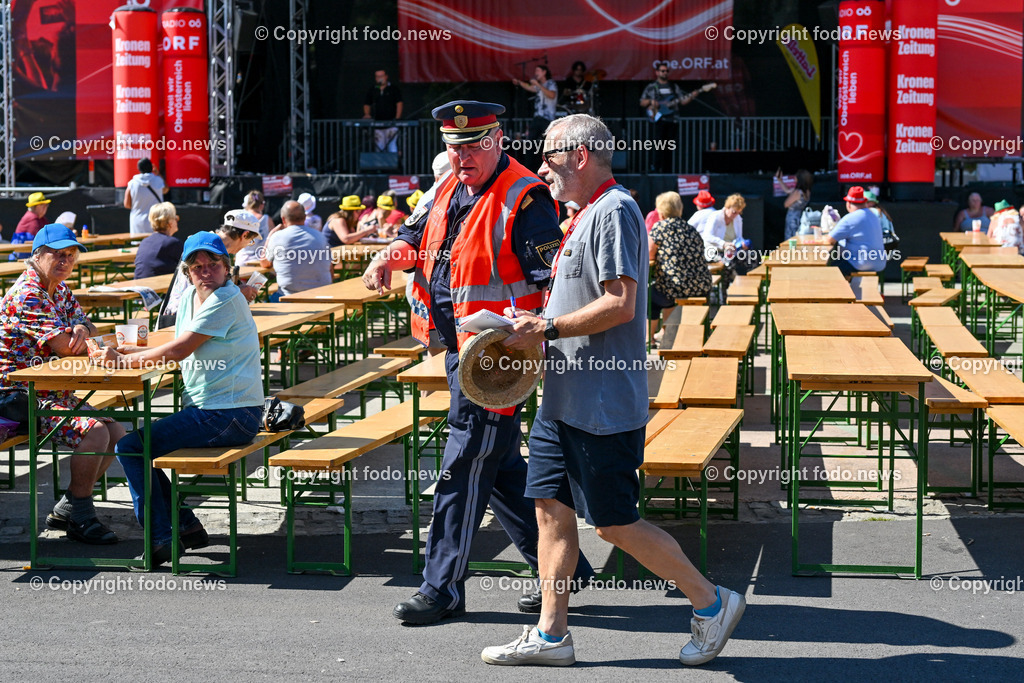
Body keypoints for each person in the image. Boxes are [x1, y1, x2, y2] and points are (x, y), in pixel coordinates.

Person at [483, 113, 745, 667]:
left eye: (549, 154)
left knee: (614, 523)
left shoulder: (616, 210)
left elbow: (620, 304)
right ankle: (552, 637)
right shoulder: (585, 214)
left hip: (601, 404)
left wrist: (547, 328)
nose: (540, 166)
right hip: (563, 400)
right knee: (549, 511)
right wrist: (524, 325)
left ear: (580, 155)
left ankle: (712, 601)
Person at [361, 99, 594, 625]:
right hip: (458, 354)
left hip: (498, 359)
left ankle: (440, 588)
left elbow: (550, 283)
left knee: (463, 464)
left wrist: (522, 336)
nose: (463, 155)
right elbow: (413, 238)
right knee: (500, 462)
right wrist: (384, 258)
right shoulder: (447, 187)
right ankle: (565, 567)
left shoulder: (526, 196)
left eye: (473, 145)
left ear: (498, 140)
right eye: (454, 146)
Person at [97, 232, 263, 566]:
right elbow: (180, 343)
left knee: (131, 446)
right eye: (197, 266)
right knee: (140, 446)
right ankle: (185, 525)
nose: (205, 271)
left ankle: (162, 538)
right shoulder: (189, 296)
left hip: (232, 414)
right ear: (186, 272)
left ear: (227, 268)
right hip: (215, 410)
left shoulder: (227, 298)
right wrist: (129, 349)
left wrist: (125, 361)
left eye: (213, 264)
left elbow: (179, 349)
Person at [0, 224, 126, 544]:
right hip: (19, 395)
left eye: (70, 255)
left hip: (54, 388)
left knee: (117, 433)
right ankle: (82, 518)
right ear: (37, 256)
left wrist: (81, 330)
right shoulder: (29, 292)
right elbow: (67, 347)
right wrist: (80, 334)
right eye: (58, 254)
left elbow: (87, 327)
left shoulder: (61, 290)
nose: (66, 261)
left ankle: (69, 507)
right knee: (95, 432)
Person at [157, 213, 260, 328]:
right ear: (245, 235)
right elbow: (202, 294)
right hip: (181, 319)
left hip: (191, 316)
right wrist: (238, 293)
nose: (248, 245)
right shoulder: (202, 246)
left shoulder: (208, 245)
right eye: (251, 241)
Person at [648, 191, 712, 342]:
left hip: (677, 287)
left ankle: (648, 337)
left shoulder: (660, 228)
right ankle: (667, 332)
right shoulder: (690, 228)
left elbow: (649, 255)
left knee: (651, 295)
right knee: (666, 289)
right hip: (701, 286)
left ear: (661, 213)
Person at [262, 200, 333, 297]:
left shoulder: (277, 237)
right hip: (322, 296)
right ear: (304, 217)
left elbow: (264, 263)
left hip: (289, 297)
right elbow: (330, 268)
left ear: (283, 219)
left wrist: (270, 234)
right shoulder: (320, 236)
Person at [640, 63, 697, 172]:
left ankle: (667, 171)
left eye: (666, 71)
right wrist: (652, 101)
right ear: (657, 72)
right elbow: (642, 102)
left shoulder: (673, 87)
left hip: (672, 120)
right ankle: (656, 168)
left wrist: (693, 95)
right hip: (659, 119)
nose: (665, 73)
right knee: (658, 145)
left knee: (669, 147)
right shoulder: (652, 87)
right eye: (662, 71)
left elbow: (683, 101)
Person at [823, 186, 885, 275]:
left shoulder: (850, 218)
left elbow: (829, 240)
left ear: (848, 204)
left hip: (861, 263)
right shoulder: (873, 216)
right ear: (864, 202)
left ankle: (844, 288)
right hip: (879, 263)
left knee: (830, 271)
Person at [696, 193, 750, 282]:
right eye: (734, 212)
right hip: (715, 251)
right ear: (727, 207)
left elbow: (739, 237)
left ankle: (750, 284)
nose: (736, 215)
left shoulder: (738, 218)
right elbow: (707, 236)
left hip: (731, 251)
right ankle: (728, 290)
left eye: (738, 212)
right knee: (728, 263)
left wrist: (742, 243)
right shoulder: (715, 217)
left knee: (751, 257)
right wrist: (724, 244)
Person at [513, 64, 558, 167]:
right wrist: (519, 82)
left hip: (548, 119)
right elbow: (530, 87)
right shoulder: (538, 86)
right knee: (529, 143)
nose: (535, 73)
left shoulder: (550, 83)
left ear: (544, 72)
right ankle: (528, 167)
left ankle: (552, 166)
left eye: (538, 71)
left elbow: (552, 95)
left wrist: (538, 85)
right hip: (537, 118)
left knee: (550, 143)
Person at [134, 202, 183, 279]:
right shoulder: (173, 243)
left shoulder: (144, 241)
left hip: (138, 286)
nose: (177, 221)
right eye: (176, 218)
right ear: (170, 223)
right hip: (155, 289)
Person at [363, 68, 403, 153]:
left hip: (391, 123)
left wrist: (397, 118)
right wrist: (367, 114)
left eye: (381, 76)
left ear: (386, 77)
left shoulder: (393, 88)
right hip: (377, 125)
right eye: (377, 76)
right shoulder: (373, 90)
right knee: (379, 148)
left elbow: (399, 103)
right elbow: (367, 103)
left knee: (392, 147)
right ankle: (381, 166)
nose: (380, 78)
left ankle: (394, 165)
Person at [123, 158, 166, 236]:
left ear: (139, 168)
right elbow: (166, 190)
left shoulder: (132, 183)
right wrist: (158, 173)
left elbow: (127, 204)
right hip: (155, 219)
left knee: (138, 246)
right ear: (151, 167)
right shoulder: (158, 180)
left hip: (137, 220)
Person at [234, 190, 273, 267]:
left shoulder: (239, 218)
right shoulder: (267, 219)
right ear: (262, 205)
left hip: (241, 261)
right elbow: (275, 240)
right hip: (261, 262)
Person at [11, 192, 51, 259]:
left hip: (30, 255)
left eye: (46, 205)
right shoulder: (31, 218)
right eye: (43, 205)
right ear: (36, 207)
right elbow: (42, 238)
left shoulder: (40, 218)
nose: (46, 207)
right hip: (22, 257)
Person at [782, 170, 813, 240]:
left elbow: (786, 204)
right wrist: (780, 180)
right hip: (800, 216)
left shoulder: (797, 192)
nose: (794, 179)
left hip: (792, 218)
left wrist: (791, 195)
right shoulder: (807, 191)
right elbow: (787, 190)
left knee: (790, 238)